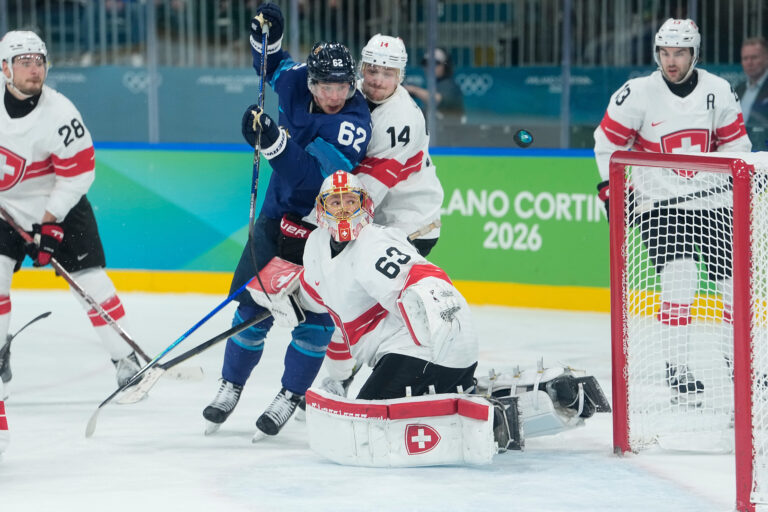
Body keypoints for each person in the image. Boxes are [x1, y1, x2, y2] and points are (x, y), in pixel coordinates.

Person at [249, 170, 610, 462]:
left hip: (431, 341)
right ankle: (540, 392)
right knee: (368, 412)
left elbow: (423, 275)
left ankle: (497, 417)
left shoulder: (375, 241)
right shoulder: (314, 249)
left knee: (372, 423)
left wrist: (440, 312)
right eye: (335, 202)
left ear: (365, 205)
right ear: (322, 208)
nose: (343, 210)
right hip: (415, 349)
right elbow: (333, 319)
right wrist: (296, 304)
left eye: (350, 201)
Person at [201, 2, 372, 437]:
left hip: (324, 228)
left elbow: (316, 180)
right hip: (276, 216)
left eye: (343, 87)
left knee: (315, 321)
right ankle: (230, 385)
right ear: (311, 81)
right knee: (250, 307)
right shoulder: (297, 83)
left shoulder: (353, 123)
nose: (335, 96)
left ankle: (290, 394)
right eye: (326, 86)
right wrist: (268, 34)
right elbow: (270, 65)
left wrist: (272, 141)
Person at [593, 18, 752, 404]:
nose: (671, 61)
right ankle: (677, 368)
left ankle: (740, 363)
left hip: (713, 201)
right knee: (681, 276)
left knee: (732, 287)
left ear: (694, 53)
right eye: (665, 52)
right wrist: (612, 189)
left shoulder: (718, 90)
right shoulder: (636, 93)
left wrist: (734, 181)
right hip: (659, 203)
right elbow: (606, 142)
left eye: (680, 52)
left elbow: (737, 144)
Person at [292, 34, 445, 412]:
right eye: (372, 69)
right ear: (362, 68)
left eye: (388, 72)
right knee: (345, 301)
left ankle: (407, 373)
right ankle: (342, 378)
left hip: (409, 224)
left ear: (401, 75)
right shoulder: (351, 89)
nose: (377, 79)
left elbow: (363, 196)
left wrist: (314, 224)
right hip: (377, 221)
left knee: (369, 309)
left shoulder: (402, 120)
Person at [0, 30, 143, 393]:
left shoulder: (60, 114)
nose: (34, 70)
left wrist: (49, 224)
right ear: (5, 68)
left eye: (39, 62)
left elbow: (79, 175)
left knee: (91, 284)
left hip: (59, 205)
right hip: (6, 210)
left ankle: (125, 358)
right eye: (24, 63)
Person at [404, 47, 464, 123]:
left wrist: (413, 89)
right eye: (426, 63)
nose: (429, 67)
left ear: (445, 66)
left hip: (450, 131)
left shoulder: (450, 85)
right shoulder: (432, 85)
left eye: (435, 63)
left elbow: (436, 99)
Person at [735, 37, 768, 151]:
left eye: (754, 57)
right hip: (742, 152)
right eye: (745, 58)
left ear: (766, 58)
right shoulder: (739, 89)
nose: (749, 62)